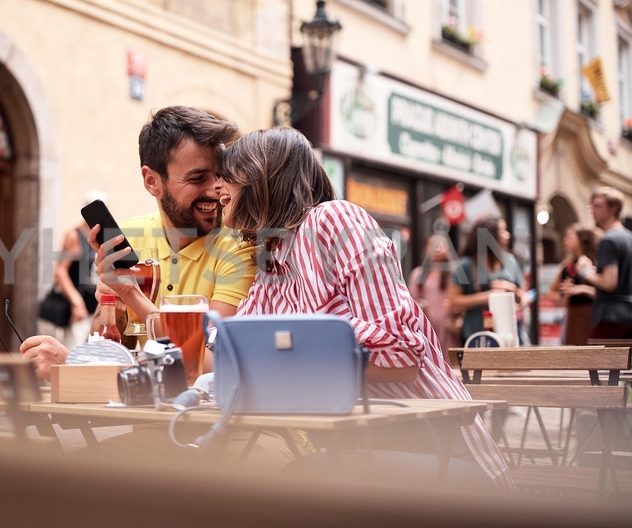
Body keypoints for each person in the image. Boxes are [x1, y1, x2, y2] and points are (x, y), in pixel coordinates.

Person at [214, 126, 512, 489]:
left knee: (287, 483)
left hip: (440, 449)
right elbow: (233, 346)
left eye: (229, 173)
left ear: (266, 174)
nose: (217, 185)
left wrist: (296, 357)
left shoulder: (332, 220)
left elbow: (400, 355)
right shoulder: (274, 259)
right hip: (365, 449)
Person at [20, 106, 256, 379]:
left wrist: (132, 295)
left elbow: (211, 364)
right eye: (197, 178)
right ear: (152, 181)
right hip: (143, 414)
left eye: (219, 175)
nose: (215, 190)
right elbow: (109, 347)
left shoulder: (241, 243)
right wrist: (113, 305)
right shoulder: (129, 235)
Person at [38, 190, 107, 351]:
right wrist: (76, 302)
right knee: (73, 351)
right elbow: (60, 271)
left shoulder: (102, 235)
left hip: (95, 306)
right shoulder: (75, 236)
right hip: (79, 307)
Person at [447, 216, 527, 345]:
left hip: (510, 336)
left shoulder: (510, 260)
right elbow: (453, 300)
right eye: (503, 231)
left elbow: (524, 298)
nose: (508, 235)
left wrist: (512, 290)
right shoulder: (466, 265)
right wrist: (488, 296)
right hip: (477, 338)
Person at [576, 187, 632, 339]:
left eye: (597, 206)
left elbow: (609, 282)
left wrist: (585, 271)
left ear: (613, 209)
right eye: (591, 206)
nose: (593, 211)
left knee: (600, 362)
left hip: (612, 317)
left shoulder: (608, 240)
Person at [408, 233, 457, 358]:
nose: (437, 249)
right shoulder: (417, 274)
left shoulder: (454, 272)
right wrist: (422, 306)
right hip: (426, 327)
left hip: (449, 329)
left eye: (440, 245)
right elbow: (412, 301)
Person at [550, 224, 601, 345]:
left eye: (570, 237)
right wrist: (566, 294)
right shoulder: (567, 267)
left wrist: (582, 289)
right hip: (573, 316)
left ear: (582, 239)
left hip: (592, 315)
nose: (565, 240)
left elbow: (605, 292)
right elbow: (553, 293)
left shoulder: (597, 263)